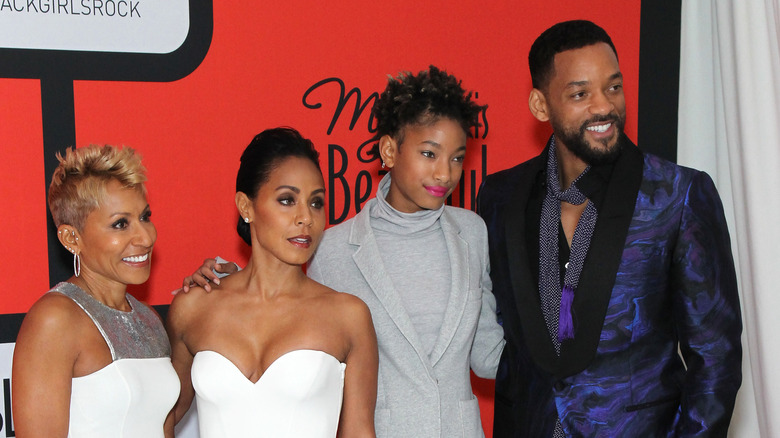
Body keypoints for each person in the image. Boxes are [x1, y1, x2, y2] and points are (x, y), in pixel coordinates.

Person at [184, 66, 506, 437]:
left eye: (456, 158)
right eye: (430, 153)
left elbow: (488, 356)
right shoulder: (333, 249)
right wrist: (224, 282)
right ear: (389, 149)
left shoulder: (472, 232)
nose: (445, 174)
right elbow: (283, 313)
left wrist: (568, 337)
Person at [477, 20, 742, 437]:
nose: (604, 107)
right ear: (540, 105)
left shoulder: (679, 196)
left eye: (613, 87)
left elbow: (716, 359)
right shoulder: (499, 196)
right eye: (580, 93)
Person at [165, 127, 378, 437]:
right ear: (246, 206)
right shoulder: (193, 307)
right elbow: (160, 421)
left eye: (316, 203)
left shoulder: (348, 316)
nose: (306, 217)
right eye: (287, 200)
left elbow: (359, 432)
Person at [12, 145, 180, 437]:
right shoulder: (54, 319)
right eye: (120, 224)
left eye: (145, 217)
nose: (145, 237)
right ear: (71, 237)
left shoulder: (150, 320)